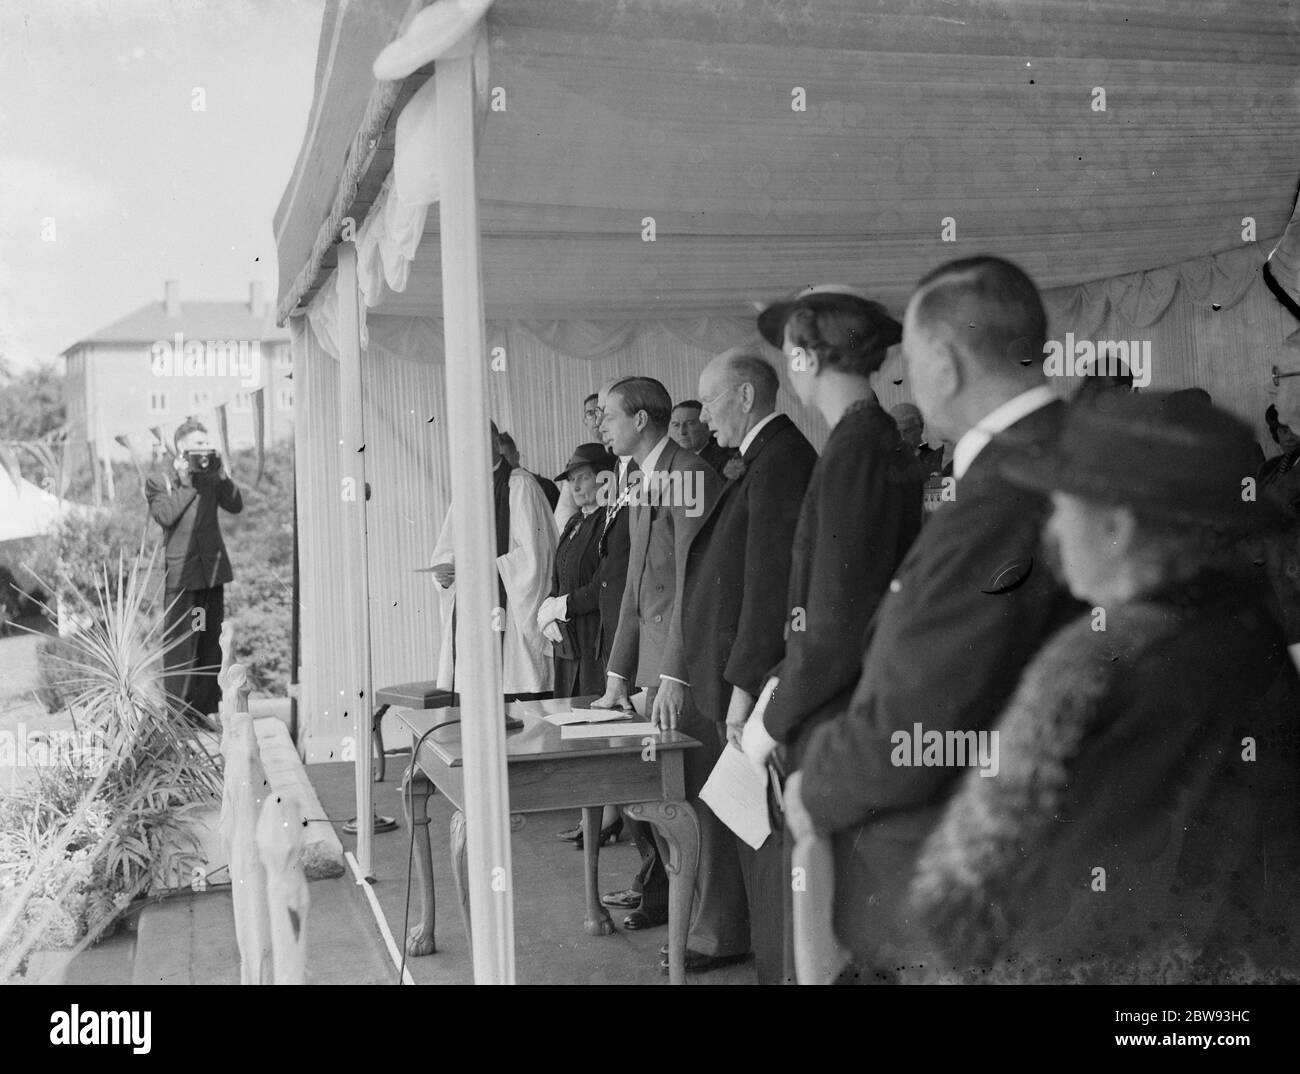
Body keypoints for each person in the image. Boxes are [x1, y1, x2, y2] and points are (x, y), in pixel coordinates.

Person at [911, 392, 1300, 983]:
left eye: (1063, 510)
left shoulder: (1091, 662)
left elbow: (962, 891)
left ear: (1117, 527)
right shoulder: (1255, 634)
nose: (1054, 530)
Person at [780, 257, 1081, 981]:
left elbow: (919, 719)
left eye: (911, 363)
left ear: (942, 364)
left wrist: (812, 785)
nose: (908, 381)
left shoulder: (999, 497)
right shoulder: (1071, 455)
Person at [590, 376, 744, 973]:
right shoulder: (639, 477)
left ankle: (720, 931)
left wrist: (673, 676)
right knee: (664, 802)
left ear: (642, 419)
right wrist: (616, 678)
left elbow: (693, 585)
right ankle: (695, 918)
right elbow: (634, 588)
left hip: (691, 671)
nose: (601, 425)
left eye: (609, 415)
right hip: (656, 671)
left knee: (699, 801)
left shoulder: (692, 474)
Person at [680, 346, 817, 983]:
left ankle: (782, 971)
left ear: (744, 396)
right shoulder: (762, 460)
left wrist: (740, 691)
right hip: (750, 678)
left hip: (762, 686)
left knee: (767, 845)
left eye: (710, 401)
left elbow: (767, 590)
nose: (705, 417)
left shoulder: (780, 461)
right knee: (755, 839)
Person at [430, 421, 557, 699]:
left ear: (496, 443)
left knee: (516, 700)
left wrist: (486, 567)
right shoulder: (466, 490)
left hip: (510, 609)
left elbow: (536, 554)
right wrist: (447, 569)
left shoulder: (520, 484)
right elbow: (447, 548)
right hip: (474, 610)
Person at [540, 441, 625, 849]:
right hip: (571, 642)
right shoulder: (576, 523)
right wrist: (551, 608)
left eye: (583, 476)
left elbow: (604, 583)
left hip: (595, 639)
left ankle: (609, 817)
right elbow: (560, 574)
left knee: (598, 732)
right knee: (575, 730)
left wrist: (565, 604)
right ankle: (589, 815)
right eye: (572, 479)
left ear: (606, 477)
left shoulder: (609, 520)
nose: (575, 485)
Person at [145, 417, 243, 727]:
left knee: (208, 642)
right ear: (181, 447)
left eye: (206, 442)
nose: (204, 449)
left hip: (211, 572)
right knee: (180, 646)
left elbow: (236, 505)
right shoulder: (160, 479)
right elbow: (165, 515)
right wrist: (187, 482)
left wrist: (223, 476)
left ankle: (203, 713)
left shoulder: (212, 476)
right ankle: (177, 718)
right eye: (198, 444)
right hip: (182, 575)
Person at [552, 394, 604, 531]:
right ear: (585, 422)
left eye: (601, 411)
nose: (597, 418)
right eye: (590, 413)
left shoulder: (632, 456)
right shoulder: (578, 461)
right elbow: (564, 517)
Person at [669, 399, 738, 476]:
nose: (682, 432)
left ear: (706, 426)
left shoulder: (724, 460)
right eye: (676, 425)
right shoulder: (670, 462)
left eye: (690, 424)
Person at [498, 430, 559, 512]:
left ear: (517, 456)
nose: (500, 463)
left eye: (504, 457)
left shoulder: (545, 487)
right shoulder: (497, 493)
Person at [890, 402, 946, 475]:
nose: (902, 437)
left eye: (908, 431)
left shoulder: (936, 461)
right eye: (897, 432)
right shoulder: (886, 462)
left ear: (921, 427)